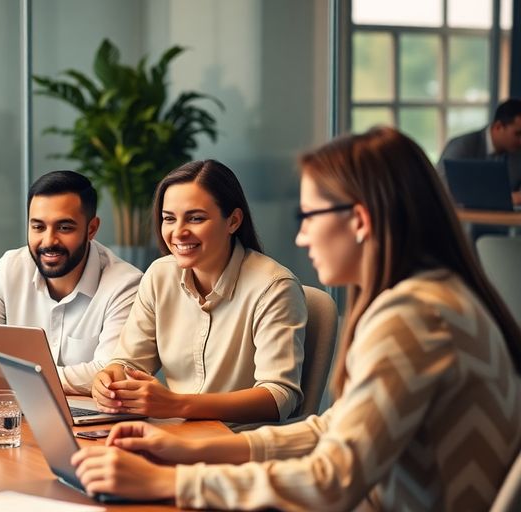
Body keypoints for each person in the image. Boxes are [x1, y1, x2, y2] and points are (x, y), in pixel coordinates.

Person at [72, 127, 521, 510]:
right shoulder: (432, 297)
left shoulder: (415, 318)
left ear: (360, 221)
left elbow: (332, 481)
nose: (302, 236)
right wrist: (188, 445)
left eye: (308, 216)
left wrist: (168, 482)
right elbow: (333, 427)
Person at [91, 160, 306, 424]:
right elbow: (128, 363)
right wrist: (110, 379)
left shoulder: (274, 288)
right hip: (175, 435)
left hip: (238, 446)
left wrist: (177, 405)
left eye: (196, 218)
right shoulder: (159, 275)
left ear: (234, 221)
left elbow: (279, 397)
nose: (178, 232)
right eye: (169, 218)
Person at [0, 171, 142, 394]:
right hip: (16, 410)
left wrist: (11, 376)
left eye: (64, 228)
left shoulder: (126, 284)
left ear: (91, 229)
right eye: (38, 227)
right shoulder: (11, 267)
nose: (49, 241)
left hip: (92, 422)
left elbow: (110, 374)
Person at [437, 98, 521, 205]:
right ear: (498, 127)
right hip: (462, 219)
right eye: (518, 134)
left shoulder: (517, 153)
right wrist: (507, 198)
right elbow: (442, 189)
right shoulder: (462, 146)